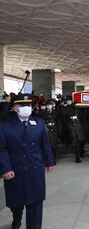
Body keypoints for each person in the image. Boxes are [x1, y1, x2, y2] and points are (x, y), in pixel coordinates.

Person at [0, 93, 55, 229]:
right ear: (13, 108)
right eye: (22, 105)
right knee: (16, 203)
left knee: (35, 204)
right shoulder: (5, 125)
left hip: (35, 168)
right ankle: (16, 217)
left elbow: (45, 144)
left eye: (29, 105)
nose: (26, 108)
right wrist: (5, 168)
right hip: (14, 169)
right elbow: (1, 149)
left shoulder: (39, 123)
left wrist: (48, 161)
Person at [61, 95, 85, 163]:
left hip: (78, 127)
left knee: (80, 141)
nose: (69, 101)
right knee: (75, 141)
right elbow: (63, 113)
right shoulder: (66, 108)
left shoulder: (77, 108)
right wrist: (70, 106)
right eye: (68, 100)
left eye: (70, 100)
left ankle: (80, 153)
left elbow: (82, 116)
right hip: (70, 127)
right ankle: (77, 157)